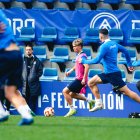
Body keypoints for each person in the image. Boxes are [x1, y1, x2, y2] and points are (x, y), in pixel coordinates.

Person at [80, 28, 140, 112]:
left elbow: (96, 60)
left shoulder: (104, 46)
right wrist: (129, 64)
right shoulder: (114, 44)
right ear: (108, 35)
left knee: (127, 92)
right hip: (107, 73)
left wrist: (84, 61)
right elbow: (126, 51)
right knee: (91, 82)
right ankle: (99, 103)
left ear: (101, 36)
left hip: (113, 74)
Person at [0, 10, 33, 125]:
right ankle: (26, 115)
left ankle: (1, 113)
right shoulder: (1, 14)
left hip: (4, 54)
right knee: (10, 92)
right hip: (17, 54)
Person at [62, 38, 95, 117]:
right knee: (72, 94)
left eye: (75, 46)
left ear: (80, 46)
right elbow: (77, 65)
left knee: (65, 91)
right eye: (73, 46)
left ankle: (72, 109)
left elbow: (87, 67)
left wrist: (84, 78)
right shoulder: (79, 56)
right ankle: (90, 101)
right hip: (79, 79)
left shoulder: (82, 56)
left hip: (80, 79)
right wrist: (70, 71)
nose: (73, 48)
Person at [22, 43, 43, 114]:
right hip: (25, 85)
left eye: (29, 50)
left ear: (32, 51)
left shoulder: (37, 61)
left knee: (32, 102)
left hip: (33, 85)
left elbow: (40, 72)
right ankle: (26, 116)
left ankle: (32, 115)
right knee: (25, 102)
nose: (28, 51)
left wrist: (34, 77)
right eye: (27, 50)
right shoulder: (23, 60)